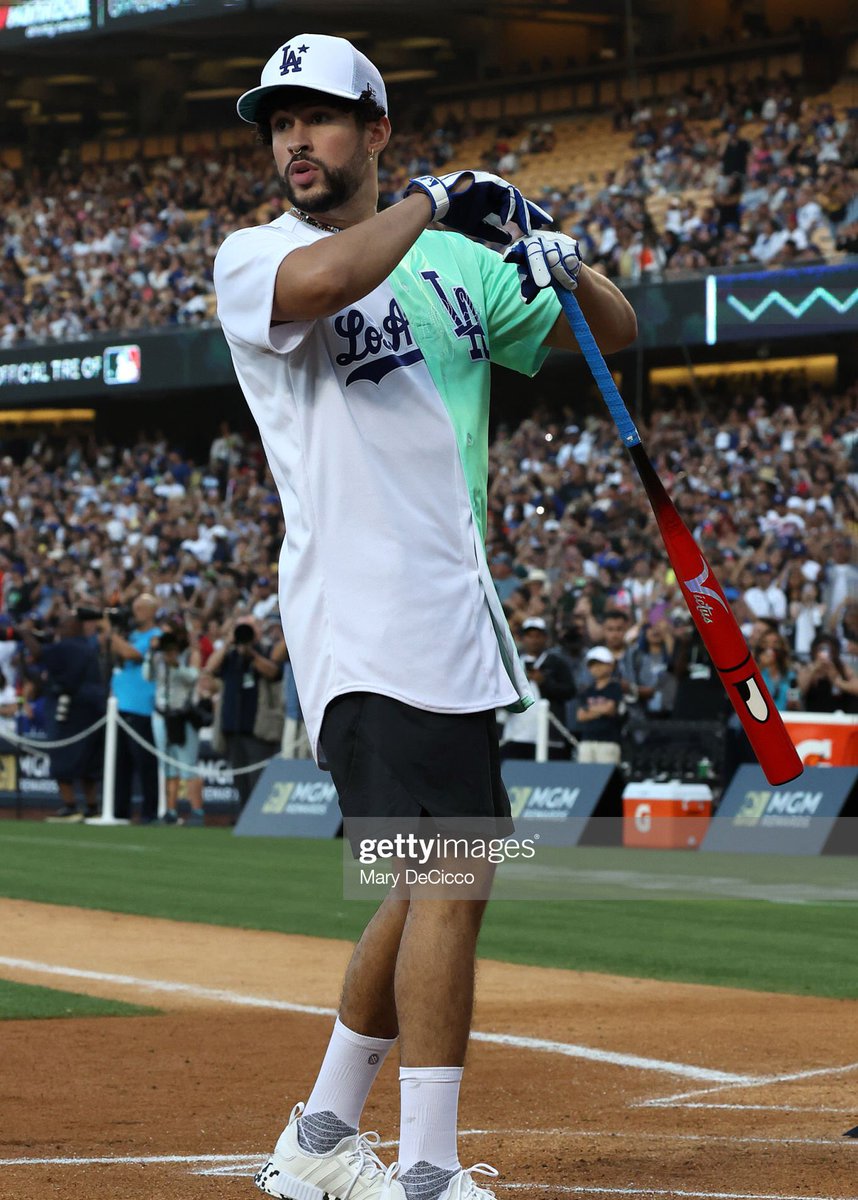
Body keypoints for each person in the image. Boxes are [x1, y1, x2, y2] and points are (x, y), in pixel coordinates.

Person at [214, 32, 635, 1200]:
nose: (295, 139)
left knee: (430, 878)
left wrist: (559, 256)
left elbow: (614, 336)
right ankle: (432, 1173)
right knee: (448, 871)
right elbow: (334, 282)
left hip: (457, 625)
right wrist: (437, 197)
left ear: (375, 126)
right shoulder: (256, 256)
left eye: (320, 117)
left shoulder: (453, 267)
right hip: (363, 617)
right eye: (279, 121)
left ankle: (319, 1137)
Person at [18, 612, 105, 821]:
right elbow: (42, 676)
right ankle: (92, 807)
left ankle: (70, 806)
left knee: (62, 756)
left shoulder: (68, 646)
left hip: (70, 711)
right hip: (94, 710)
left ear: (74, 627)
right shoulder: (87, 648)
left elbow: (38, 654)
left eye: (63, 626)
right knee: (89, 763)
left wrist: (24, 635)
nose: (59, 630)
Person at [204, 615, 282, 810]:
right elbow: (209, 668)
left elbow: (273, 672)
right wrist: (227, 644)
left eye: (250, 629)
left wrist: (251, 654)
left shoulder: (265, 650)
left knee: (258, 776)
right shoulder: (230, 655)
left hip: (258, 727)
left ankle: (258, 817)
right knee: (239, 775)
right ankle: (244, 815)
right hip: (233, 725)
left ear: (258, 632)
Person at [108, 593, 161, 823]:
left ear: (152, 611)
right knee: (120, 763)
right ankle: (120, 811)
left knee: (144, 763)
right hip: (117, 707)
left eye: (141, 607)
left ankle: (150, 813)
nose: (136, 611)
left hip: (141, 707)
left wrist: (109, 631)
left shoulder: (155, 636)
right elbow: (117, 655)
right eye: (135, 607)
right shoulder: (129, 635)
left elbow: (133, 654)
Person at [145, 626, 205, 826]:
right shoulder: (158, 658)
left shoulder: (190, 655)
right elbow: (147, 676)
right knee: (167, 764)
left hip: (183, 716)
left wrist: (176, 666)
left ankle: (197, 811)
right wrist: (151, 653)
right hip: (162, 715)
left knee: (188, 764)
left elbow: (193, 677)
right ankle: (170, 811)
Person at [499, 617, 575, 759]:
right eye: (529, 636)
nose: (534, 640)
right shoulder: (512, 662)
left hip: (549, 737)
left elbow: (569, 691)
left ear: (545, 638)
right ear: (522, 638)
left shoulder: (557, 663)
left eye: (538, 636)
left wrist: (545, 682)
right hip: (515, 735)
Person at [573, 645, 624, 764]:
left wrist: (590, 710)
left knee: (608, 779)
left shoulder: (615, 687)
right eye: (592, 665)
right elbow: (580, 716)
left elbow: (610, 709)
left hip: (608, 740)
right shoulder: (587, 691)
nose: (596, 668)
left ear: (610, 665)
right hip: (587, 740)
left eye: (600, 664)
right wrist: (600, 710)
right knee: (584, 778)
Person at [796, 633, 858, 713]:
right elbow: (800, 690)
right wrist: (814, 669)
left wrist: (838, 682)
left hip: (840, 715)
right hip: (814, 716)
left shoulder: (843, 668)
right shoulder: (808, 669)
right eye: (821, 649)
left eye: (829, 650)